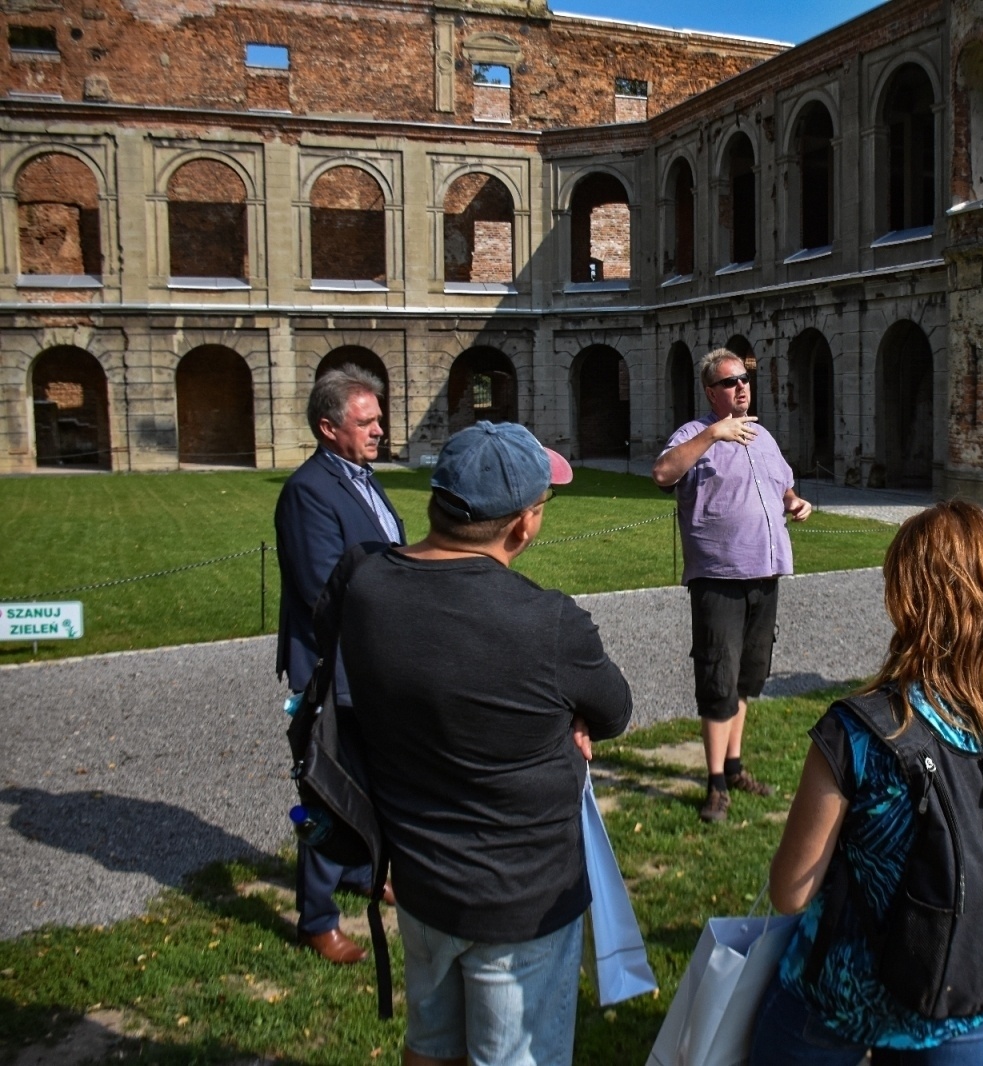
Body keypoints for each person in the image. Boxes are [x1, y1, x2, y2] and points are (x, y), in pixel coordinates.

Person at [318, 421, 632, 1066]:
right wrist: (565, 717)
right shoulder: (550, 623)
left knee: (430, 1048)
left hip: (418, 875)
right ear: (522, 525)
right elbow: (615, 710)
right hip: (519, 899)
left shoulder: (364, 584)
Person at [752, 500, 983, 1066]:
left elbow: (791, 891)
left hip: (845, 988)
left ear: (907, 601)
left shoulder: (861, 731)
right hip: (967, 982)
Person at [275, 365, 404, 965]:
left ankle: (362, 872)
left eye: (379, 418)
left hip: (374, 658)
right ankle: (316, 918)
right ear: (329, 428)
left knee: (375, 778)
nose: (379, 428)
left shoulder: (363, 478)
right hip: (334, 666)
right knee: (327, 789)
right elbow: (321, 587)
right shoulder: (309, 491)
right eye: (366, 421)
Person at [653, 348, 813, 822]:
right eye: (730, 382)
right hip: (718, 575)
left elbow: (781, 486)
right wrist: (712, 434)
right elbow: (662, 473)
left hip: (765, 572)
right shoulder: (692, 434)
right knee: (718, 678)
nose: (741, 386)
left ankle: (736, 766)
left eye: (745, 378)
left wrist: (796, 501)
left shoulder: (763, 436)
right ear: (711, 392)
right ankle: (715, 784)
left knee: (746, 676)